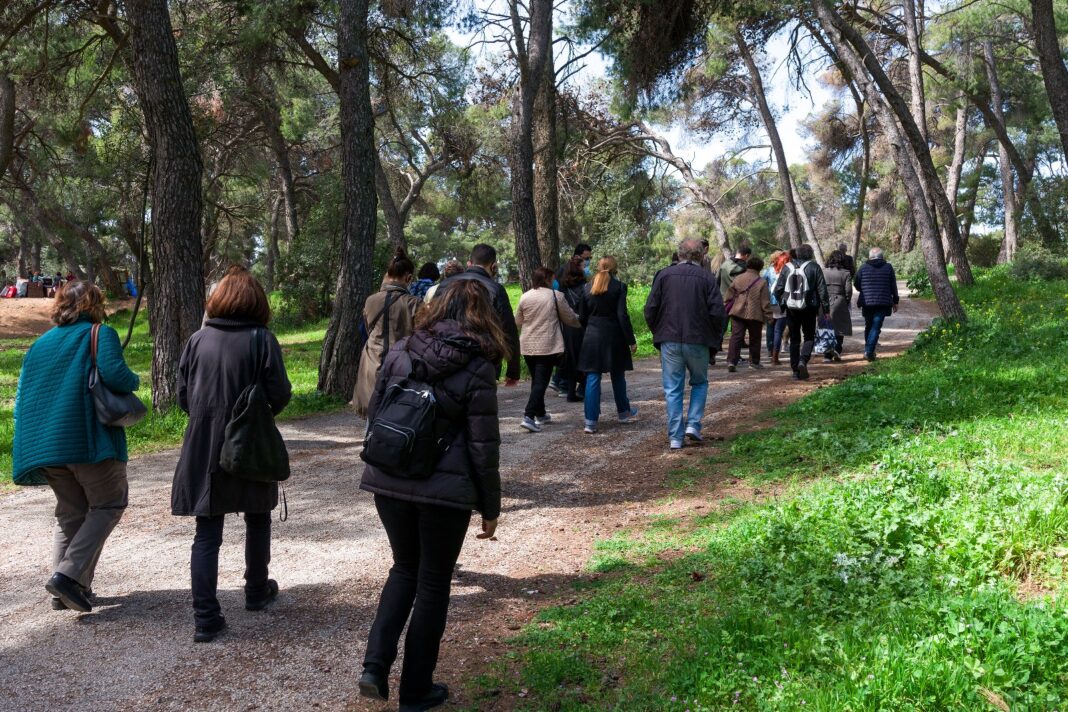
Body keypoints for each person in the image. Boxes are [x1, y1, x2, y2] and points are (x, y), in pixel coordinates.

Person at [358, 279, 505, 712]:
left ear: (435, 307)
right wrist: (490, 507)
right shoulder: (478, 365)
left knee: (404, 568)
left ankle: (374, 666)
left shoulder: (401, 349)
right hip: (444, 492)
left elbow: (377, 411)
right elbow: (484, 446)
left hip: (390, 478)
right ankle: (416, 691)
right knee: (433, 583)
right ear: (482, 316)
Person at [171, 267, 292, 643]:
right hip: (249, 439)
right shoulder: (262, 339)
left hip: (203, 442)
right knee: (258, 517)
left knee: (207, 533)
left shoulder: (197, 339)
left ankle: (206, 617)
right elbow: (281, 393)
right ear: (257, 302)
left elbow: (182, 396)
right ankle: (256, 589)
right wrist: (255, 415)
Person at [12, 280, 139, 613]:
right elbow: (117, 376)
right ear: (94, 303)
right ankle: (67, 577)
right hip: (88, 441)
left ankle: (62, 593)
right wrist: (135, 380)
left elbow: (24, 395)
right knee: (109, 504)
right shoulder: (100, 333)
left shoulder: (40, 343)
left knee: (71, 513)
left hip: (47, 447)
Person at [643, 239, 725, 449]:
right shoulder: (707, 278)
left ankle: (676, 437)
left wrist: (658, 333)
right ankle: (694, 425)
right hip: (698, 339)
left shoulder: (663, 275)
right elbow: (718, 313)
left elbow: (650, 309)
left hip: (669, 339)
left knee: (673, 389)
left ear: (679, 254)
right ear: (701, 255)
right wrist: (715, 340)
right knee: (699, 382)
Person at [353, 248, 424, 417]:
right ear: (408, 278)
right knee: (398, 420)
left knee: (372, 416)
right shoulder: (414, 303)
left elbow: (365, 331)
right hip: (403, 367)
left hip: (372, 364)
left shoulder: (370, 301)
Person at [438, 244, 520, 386]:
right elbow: (508, 330)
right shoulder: (496, 289)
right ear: (494, 266)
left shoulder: (445, 285)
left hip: (446, 359)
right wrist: (513, 370)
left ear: (469, 263)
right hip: (484, 363)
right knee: (479, 406)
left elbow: (432, 321)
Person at [515, 267, 581, 432]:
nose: (555, 282)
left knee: (537, 381)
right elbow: (569, 318)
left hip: (527, 345)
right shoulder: (556, 296)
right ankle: (529, 416)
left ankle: (541, 413)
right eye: (552, 279)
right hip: (547, 345)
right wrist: (582, 321)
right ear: (547, 279)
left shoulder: (525, 296)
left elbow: (518, 320)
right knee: (541, 382)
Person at [577, 256, 638, 434]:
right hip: (614, 335)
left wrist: (589, 328)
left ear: (598, 267)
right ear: (614, 267)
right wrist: (630, 340)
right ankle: (624, 413)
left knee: (592, 378)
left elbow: (581, 316)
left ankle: (590, 421)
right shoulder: (619, 286)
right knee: (618, 375)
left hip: (592, 336)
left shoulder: (587, 287)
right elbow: (622, 315)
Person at [773, 244, 829, 380]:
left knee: (794, 339)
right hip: (809, 308)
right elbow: (822, 290)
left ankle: (795, 372)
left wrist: (783, 303)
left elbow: (777, 289)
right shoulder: (814, 267)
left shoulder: (787, 267)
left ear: (796, 254)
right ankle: (803, 361)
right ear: (810, 254)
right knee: (809, 336)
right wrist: (826, 309)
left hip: (791, 309)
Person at [725, 256, 773, 372]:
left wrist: (726, 305)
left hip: (737, 312)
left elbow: (729, 294)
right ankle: (754, 362)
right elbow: (765, 302)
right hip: (755, 314)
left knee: (736, 337)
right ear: (760, 268)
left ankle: (732, 361)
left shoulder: (738, 278)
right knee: (755, 338)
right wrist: (769, 317)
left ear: (748, 266)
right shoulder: (762, 282)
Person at [854, 247, 899, 361]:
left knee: (869, 326)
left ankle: (868, 350)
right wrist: (895, 301)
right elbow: (893, 285)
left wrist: (864, 289)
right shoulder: (888, 267)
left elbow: (856, 284)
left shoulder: (863, 268)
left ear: (870, 257)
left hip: (867, 302)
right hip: (883, 302)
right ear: (882, 257)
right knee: (876, 327)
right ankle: (869, 351)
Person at [822, 250, 854, 362]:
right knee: (840, 327)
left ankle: (826, 355)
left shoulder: (823, 272)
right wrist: (846, 301)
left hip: (825, 301)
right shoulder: (846, 273)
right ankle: (837, 348)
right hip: (840, 301)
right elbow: (848, 291)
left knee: (825, 327)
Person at [762, 250, 790, 365]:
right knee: (779, 329)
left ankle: (770, 349)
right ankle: (775, 355)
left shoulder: (768, 271)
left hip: (770, 302)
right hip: (781, 302)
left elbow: (763, 284)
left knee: (770, 326)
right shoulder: (787, 271)